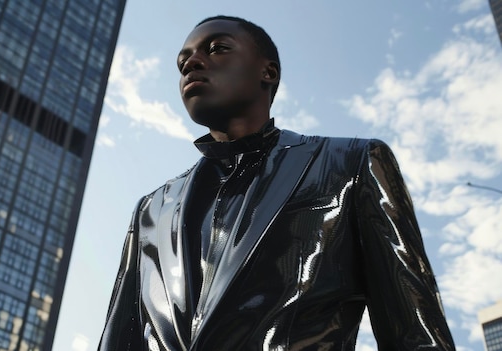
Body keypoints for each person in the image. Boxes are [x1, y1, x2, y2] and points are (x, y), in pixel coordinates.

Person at [99, 15, 455, 350]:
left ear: (267, 72)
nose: (191, 63)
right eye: (182, 62)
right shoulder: (151, 210)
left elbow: (417, 333)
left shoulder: (351, 164)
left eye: (217, 48)